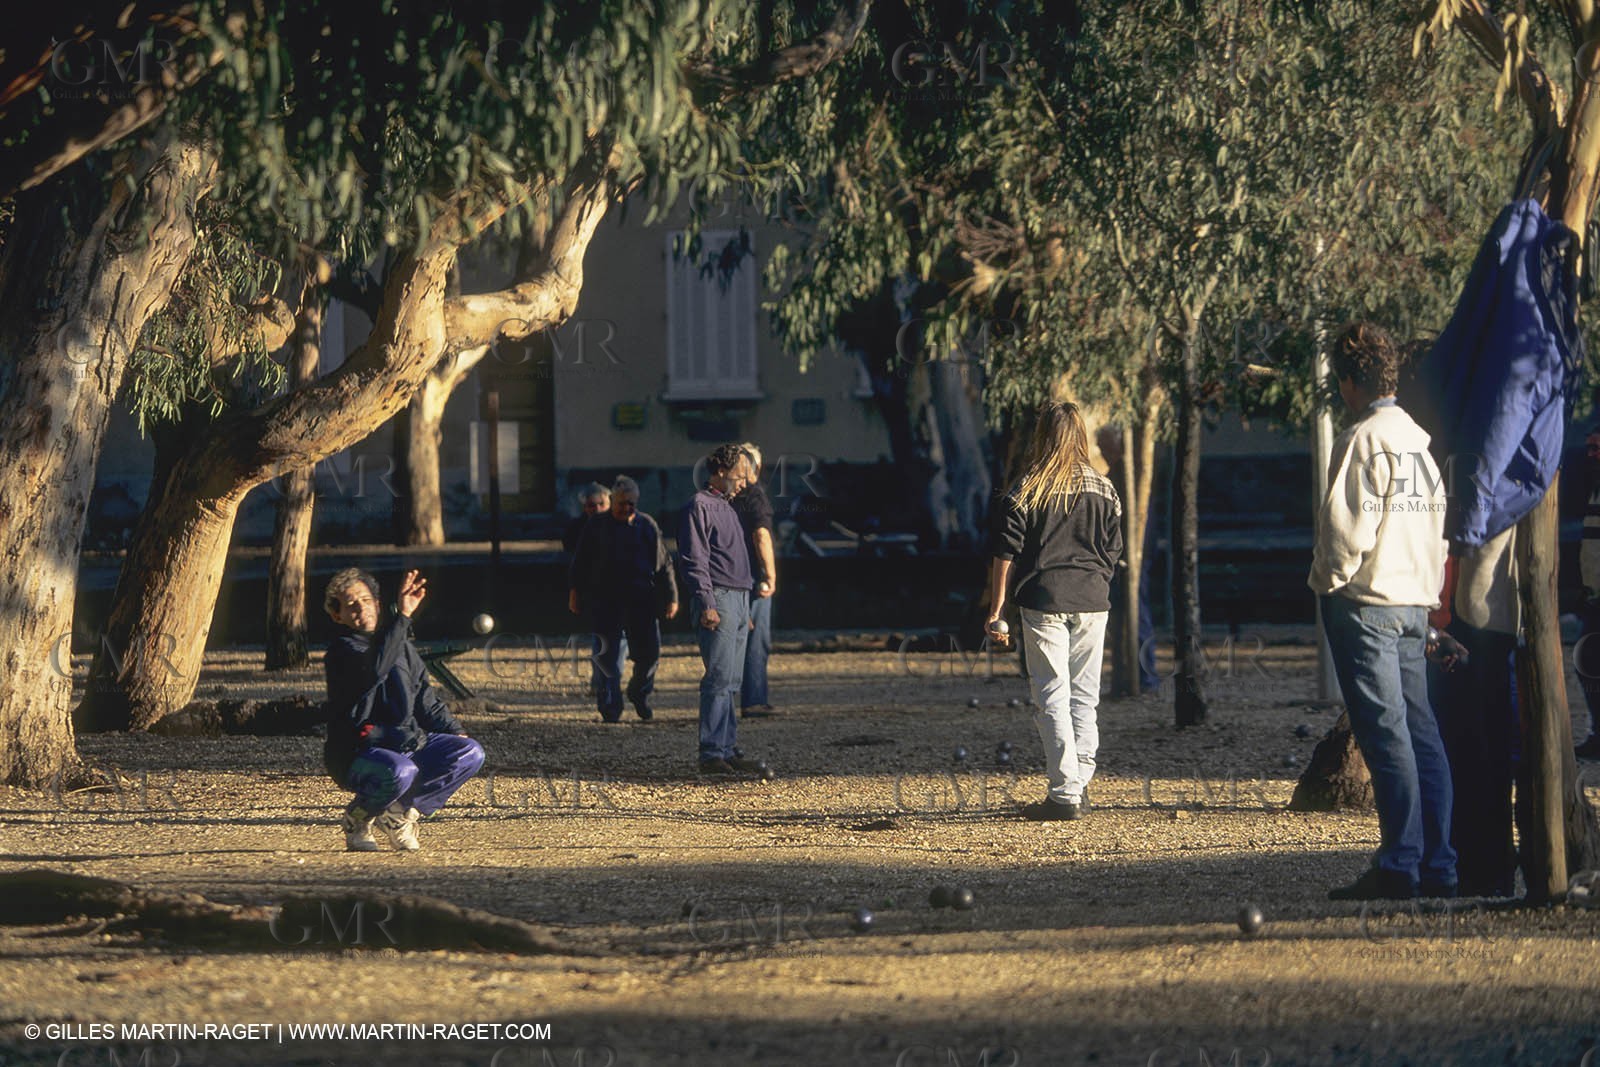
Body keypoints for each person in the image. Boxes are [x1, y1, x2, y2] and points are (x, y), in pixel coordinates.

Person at [1309, 322, 1456, 901]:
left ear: (1349, 382)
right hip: (1415, 602)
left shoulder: (1362, 438)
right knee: (1422, 734)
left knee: (1386, 736)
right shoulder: (1419, 441)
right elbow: (1436, 530)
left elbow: (1346, 532)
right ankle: (1440, 862)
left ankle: (1399, 862)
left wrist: (1328, 584)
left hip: (1367, 604)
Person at [986, 400, 1123, 822]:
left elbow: (1004, 553)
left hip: (1043, 599)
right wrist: (1096, 581)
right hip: (1093, 600)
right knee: (1085, 698)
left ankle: (1064, 793)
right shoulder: (1104, 488)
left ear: (1042, 436)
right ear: (1081, 436)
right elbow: (1113, 549)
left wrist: (996, 610)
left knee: (1051, 696)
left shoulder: (1026, 488)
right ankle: (1079, 785)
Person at [323, 567, 485, 852]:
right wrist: (403, 618)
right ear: (338, 616)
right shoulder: (341, 651)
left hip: (406, 742)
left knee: (470, 752)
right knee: (401, 772)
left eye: (365, 599)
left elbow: (425, 699)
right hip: (358, 754)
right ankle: (357, 818)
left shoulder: (400, 644)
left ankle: (399, 814)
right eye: (351, 604)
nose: (360, 607)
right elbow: (375, 669)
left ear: (377, 602)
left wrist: (455, 731)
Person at [1427, 533, 1518, 897]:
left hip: (1471, 612)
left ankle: (1478, 866)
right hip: (1480, 612)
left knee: (1470, 747)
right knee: (1480, 748)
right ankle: (1484, 866)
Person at [678, 444, 765, 775]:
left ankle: (726, 747)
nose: (744, 483)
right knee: (718, 678)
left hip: (738, 599)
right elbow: (694, 559)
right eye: (740, 476)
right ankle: (712, 751)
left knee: (732, 679)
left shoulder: (727, 507)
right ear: (721, 472)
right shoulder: (699, 506)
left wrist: (745, 609)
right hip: (721, 598)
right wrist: (707, 602)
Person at [569, 475, 678, 722]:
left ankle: (639, 692)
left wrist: (671, 597)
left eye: (631, 503)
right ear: (612, 501)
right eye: (622, 503)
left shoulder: (646, 526)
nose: (627, 508)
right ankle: (610, 709)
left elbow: (664, 565)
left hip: (642, 601)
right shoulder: (596, 526)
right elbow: (580, 563)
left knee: (649, 654)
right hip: (606, 600)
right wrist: (575, 592)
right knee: (608, 659)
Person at [733, 443, 779, 718]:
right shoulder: (755, 496)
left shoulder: (725, 497)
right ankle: (754, 699)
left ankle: (728, 698)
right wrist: (770, 575)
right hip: (753, 577)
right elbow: (761, 536)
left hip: (731, 576)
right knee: (757, 639)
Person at [1576, 425, 1600, 760]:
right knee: (1587, 664)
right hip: (1594, 595)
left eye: (1597, 448)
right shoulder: (1594, 488)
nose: (1592, 455)